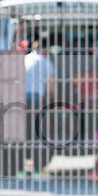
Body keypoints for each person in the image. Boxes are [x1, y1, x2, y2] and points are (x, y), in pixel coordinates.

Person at [23, 37, 56, 170]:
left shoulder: (24, 60)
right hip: (36, 101)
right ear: (45, 49)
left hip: (21, 101)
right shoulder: (46, 63)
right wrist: (51, 100)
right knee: (37, 134)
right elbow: (51, 86)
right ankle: (37, 169)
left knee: (23, 135)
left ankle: (19, 170)